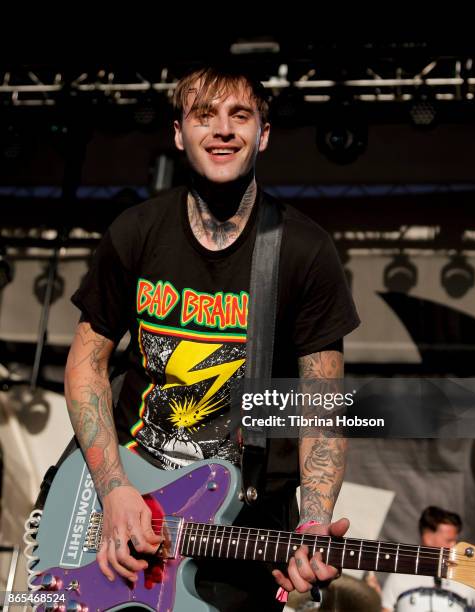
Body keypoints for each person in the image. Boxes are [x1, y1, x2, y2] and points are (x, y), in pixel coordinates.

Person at [64, 65, 360, 611]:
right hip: (128, 514)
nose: (222, 129)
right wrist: (113, 489)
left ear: (263, 135)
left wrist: (316, 516)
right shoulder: (136, 232)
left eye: (239, 116)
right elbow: (87, 365)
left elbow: (322, 406)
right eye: (205, 116)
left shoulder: (303, 251)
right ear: (179, 133)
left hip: (242, 537)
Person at [380, 506, 475, 611]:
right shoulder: (400, 575)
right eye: (449, 540)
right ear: (427, 537)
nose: (454, 545)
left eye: (455, 541)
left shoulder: (466, 574)